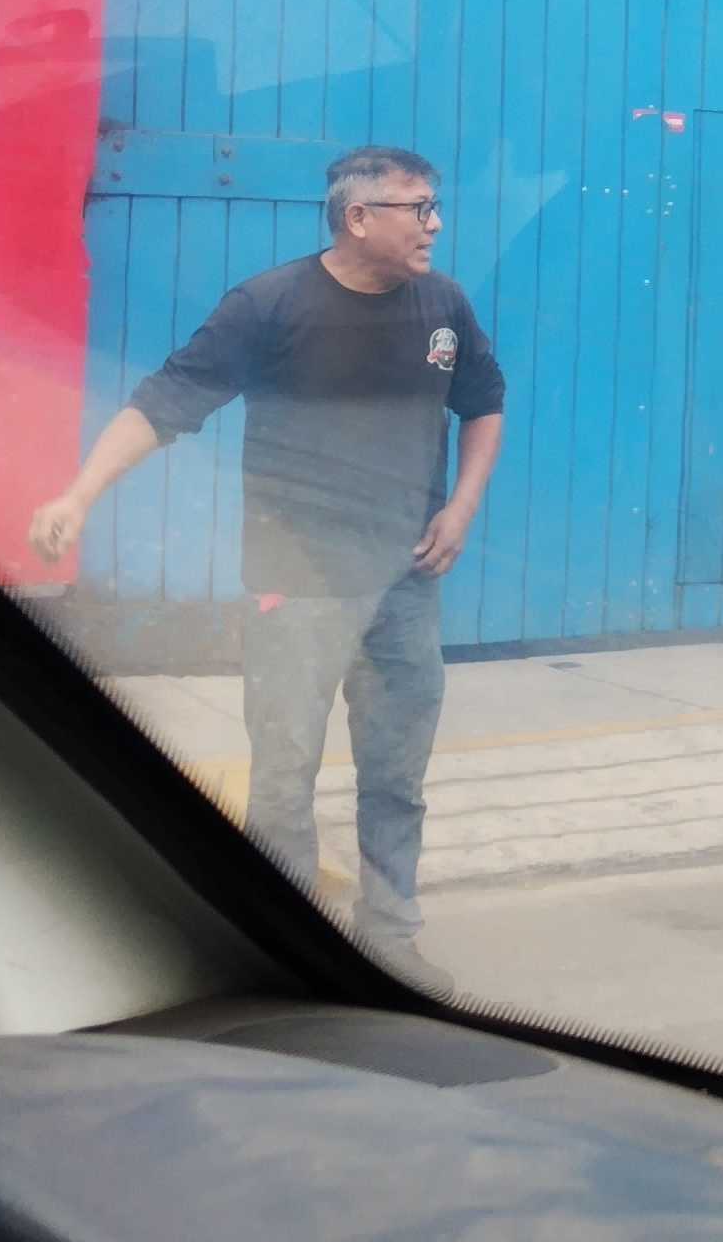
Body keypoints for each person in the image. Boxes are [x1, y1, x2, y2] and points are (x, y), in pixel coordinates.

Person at [28, 147, 506, 971]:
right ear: (359, 218)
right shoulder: (270, 305)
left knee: (396, 777)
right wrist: (78, 496)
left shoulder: (444, 305)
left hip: (405, 583)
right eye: (418, 208)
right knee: (284, 778)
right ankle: (292, 947)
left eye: (434, 207)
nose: (434, 224)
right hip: (298, 581)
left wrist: (460, 507)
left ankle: (390, 938)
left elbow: (484, 403)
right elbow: (164, 404)